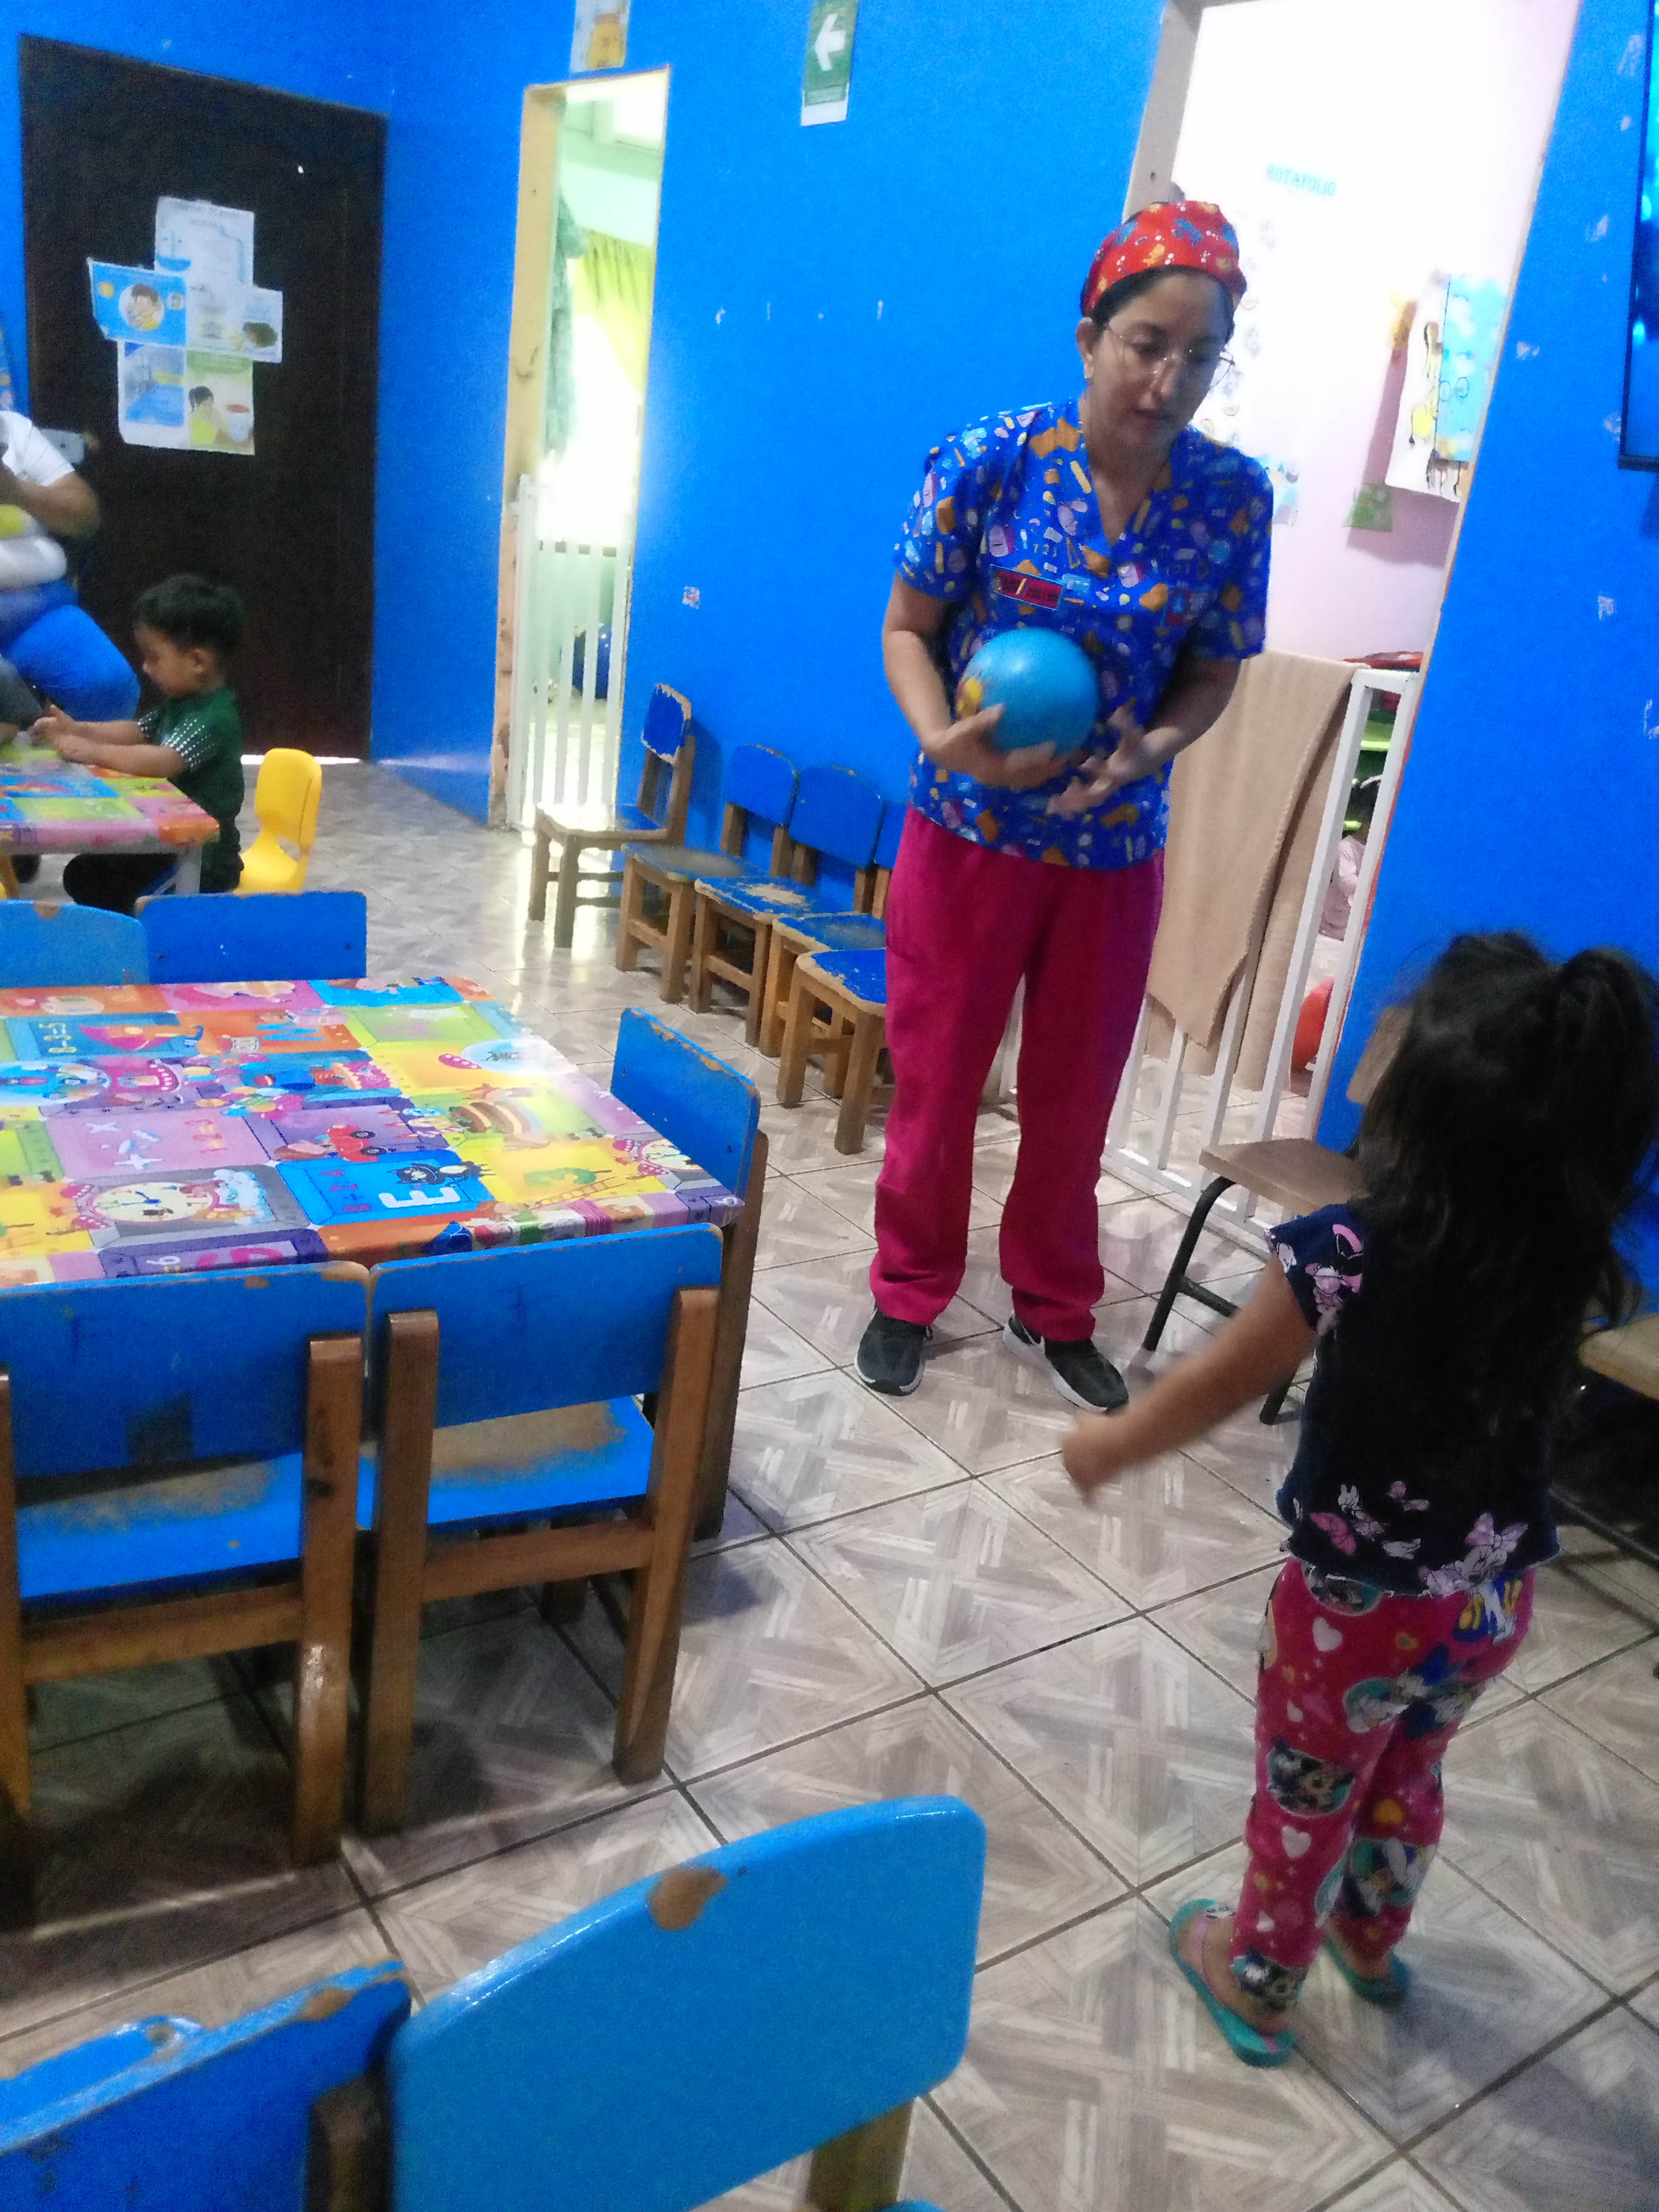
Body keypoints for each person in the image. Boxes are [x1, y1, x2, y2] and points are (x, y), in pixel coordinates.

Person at [1062, 932, 1659, 2066]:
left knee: (1309, 1791)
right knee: (1411, 1769)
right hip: (1490, 1600)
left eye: (1402, 1027)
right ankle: (1371, 1939)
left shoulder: (1342, 1250)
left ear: (1426, 1099)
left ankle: (1257, 1976)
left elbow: (1218, 1383)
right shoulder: (1562, 1254)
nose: (1379, 1034)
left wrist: (1113, 1447)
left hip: (1355, 1612)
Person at [857, 200, 1272, 1406]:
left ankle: (1053, 1304)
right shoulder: (988, 461)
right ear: (1089, 338)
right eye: (1146, 344)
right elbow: (907, 627)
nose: (1168, 380)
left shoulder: (1231, 499)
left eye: (1199, 356)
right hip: (968, 834)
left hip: (1112, 851)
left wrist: (1157, 744)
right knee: (937, 1082)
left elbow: (1213, 667)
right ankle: (906, 1289)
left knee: (1074, 1102)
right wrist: (939, 737)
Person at [36, 574, 246, 909]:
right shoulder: (181, 704)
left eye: (154, 657)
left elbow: (163, 760)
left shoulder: (213, 717)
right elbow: (138, 731)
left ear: (198, 662)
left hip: (201, 860)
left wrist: (91, 751)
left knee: (112, 893)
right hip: (166, 841)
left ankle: (138, 939)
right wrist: (77, 729)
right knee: (83, 874)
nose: (146, 668)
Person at [0, 409, 138, 722]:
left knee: (110, 686)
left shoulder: (14, 428)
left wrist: (17, 492)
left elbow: (85, 516)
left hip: (35, 608)